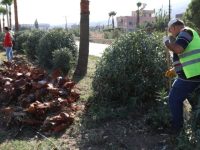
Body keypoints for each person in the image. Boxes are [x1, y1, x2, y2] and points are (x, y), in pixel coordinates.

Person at [163, 18, 200, 134]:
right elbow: (187, 56)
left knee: (174, 99)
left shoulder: (185, 32)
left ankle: (177, 130)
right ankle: (196, 128)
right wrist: (175, 70)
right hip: (194, 75)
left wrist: (167, 42)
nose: (171, 34)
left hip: (191, 77)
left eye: (170, 31)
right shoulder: (188, 34)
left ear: (173, 27)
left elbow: (178, 49)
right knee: (195, 103)